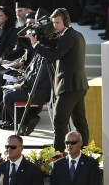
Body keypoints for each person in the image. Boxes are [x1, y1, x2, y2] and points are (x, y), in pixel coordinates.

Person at [29, 8, 90, 152]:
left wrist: (36, 45)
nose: (54, 25)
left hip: (69, 86)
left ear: (66, 22)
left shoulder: (68, 37)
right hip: (78, 85)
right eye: (53, 22)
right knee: (79, 121)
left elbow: (55, 54)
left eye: (57, 22)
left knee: (59, 121)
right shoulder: (75, 34)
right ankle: (85, 149)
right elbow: (57, 45)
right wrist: (41, 40)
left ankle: (58, 152)